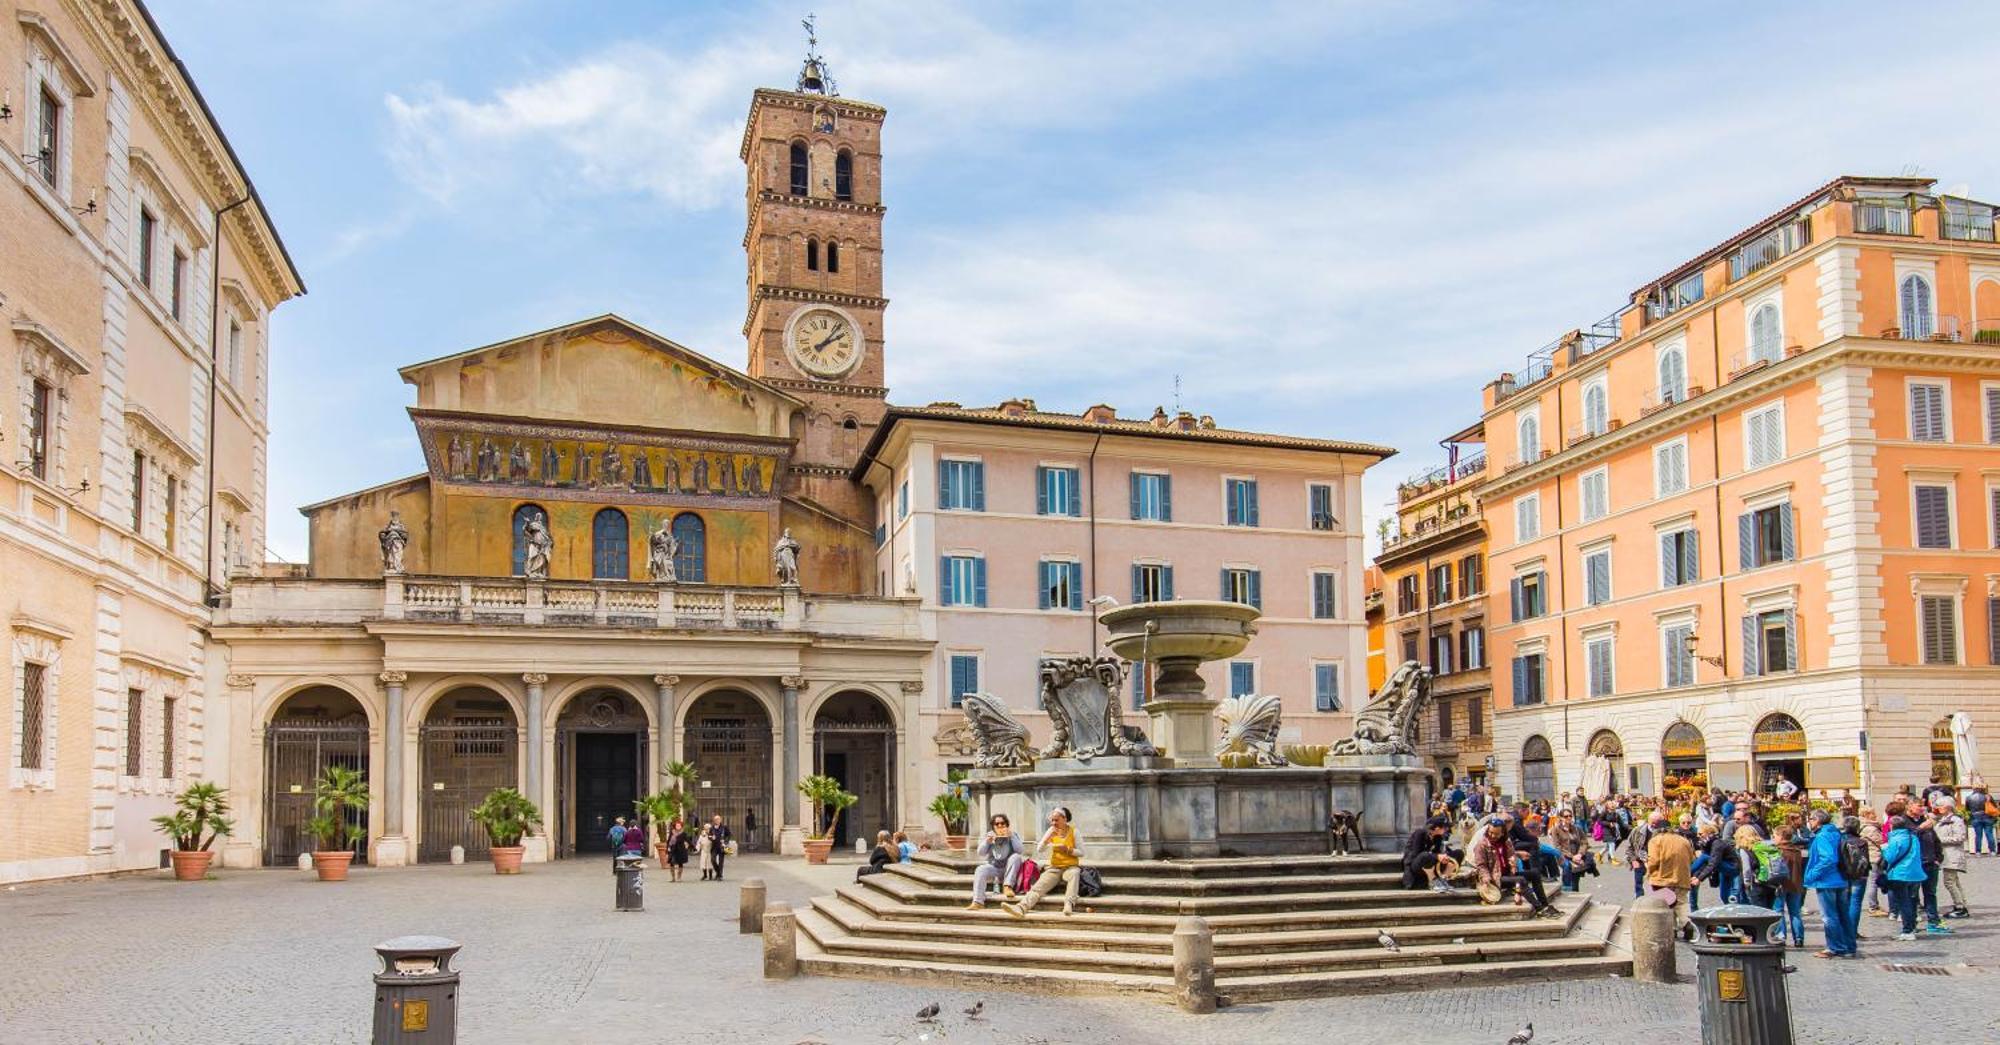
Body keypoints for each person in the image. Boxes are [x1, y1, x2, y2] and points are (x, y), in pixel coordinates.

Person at [1005, 807, 1084, 918]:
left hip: (1070, 867)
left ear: (1064, 819)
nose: (1053, 823)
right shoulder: (1051, 830)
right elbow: (1040, 849)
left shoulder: (1074, 831)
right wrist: (1047, 839)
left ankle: (1069, 904)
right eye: (1052, 820)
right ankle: (1021, 907)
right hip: (1054, 867)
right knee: (1038, 887)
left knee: (1075, 873)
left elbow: (1081, 852)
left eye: (1056, 820)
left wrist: (1068, 849)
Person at [1467, 817, 1553, 915]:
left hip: (1508, 873)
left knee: (1535, 874)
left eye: (1496, 833)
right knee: (1520, 880)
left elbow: (1511, 854)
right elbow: (1481, 865)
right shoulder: (1482, 845)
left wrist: (1513, 859)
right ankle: (1539, 909)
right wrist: (1486, 877)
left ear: (1502, 832)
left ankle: (1545, 904)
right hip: (1496, 877)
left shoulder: (1506, 842)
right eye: (1491, 832)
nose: (1492, 835)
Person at [1803, 809, 1855, 959]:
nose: (1810, 822)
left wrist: (1813, 873)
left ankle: (1835, 947)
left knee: (1829, 916)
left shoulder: (1822, 836)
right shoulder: (1836, 833)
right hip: (1841, 879)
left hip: (1827, 881)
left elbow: (1828, 858)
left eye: (1811, 819)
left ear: (1818, 821)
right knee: (1843, 914)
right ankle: (1849, 946)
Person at [1644, 811, 1697, 941]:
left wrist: (1648, 871)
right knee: (1681, 902)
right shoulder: (1684, 840)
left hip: (1662, 879)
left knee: (1666, 903)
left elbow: (1654, 860)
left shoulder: (1656, 840)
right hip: (1681, 877)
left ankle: (1671, 929)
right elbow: (1692, 858)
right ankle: (1686, 923)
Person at [1881, 813, 1927, 941]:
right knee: (1912, 901)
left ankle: (1907, 930)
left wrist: (1884, 849)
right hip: (1915, 873)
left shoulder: (1895, 839)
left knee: (1903, 902)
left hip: (1900, 874)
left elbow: (1889, 857)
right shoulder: (1913, 838)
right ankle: (1912, 927)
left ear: (1891, 826)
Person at [969, 815, 1026, 909]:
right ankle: (978, 902)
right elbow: (980, 852)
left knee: (1016, 857)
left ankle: (1007, 886)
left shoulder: (1013, 834)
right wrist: (987, 842)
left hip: (1009, 869)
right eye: (997, 824)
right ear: (993, 826)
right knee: (980, 869)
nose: (1000, 826)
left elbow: (1020, 850)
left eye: (1002, 823)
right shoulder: (989, 835)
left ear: (1007, 824)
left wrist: (1011, 837)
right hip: (994, 868)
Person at [1769, 825, 1807, 948]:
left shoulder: (1777, 850)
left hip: (1781, 884)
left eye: (1774, 836)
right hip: (1796, 884)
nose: (1773, 838)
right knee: (1795, 912)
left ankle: (1781, 936)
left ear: (1780, 836)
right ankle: (1799, 938)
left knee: (1778, 911)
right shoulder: (1797, 851)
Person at [1401, 817, 1459, 892]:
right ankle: (1433, 882)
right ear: (1437, 828)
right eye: (1445, 828)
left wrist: (1443, 857)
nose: (1446, 830)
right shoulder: (1420, 833)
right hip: (1415, 864)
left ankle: (1443, 879)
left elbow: (1437, 852)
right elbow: (1416, 854)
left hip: (1432, 862)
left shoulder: (1438, 837)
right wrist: (1436, 856)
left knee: (1458, 853)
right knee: (1425, 855)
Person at [1934, 797, 1970, 919]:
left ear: (1948, 806)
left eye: (1940, 806)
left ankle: (1960, 907)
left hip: (1952, 854)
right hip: (1946, 855)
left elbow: (1960, 837)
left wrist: (1940, 841)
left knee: (1949, 882)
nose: (1938, 808)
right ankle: (1961, 905)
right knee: (1954, 881)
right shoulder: (1942, 820)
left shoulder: (1955, 820)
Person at [1858, 806, 1887, 917]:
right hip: (1874, 857)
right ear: (1866, 815)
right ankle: (1873, 906)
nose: (1875, 815)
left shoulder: (1863, 826)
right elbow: (1881, 842)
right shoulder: (1870, 828)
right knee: (1873, 883)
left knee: (1873, 881)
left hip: (1870, 856)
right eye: (1872, 813)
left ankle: (1874, 905)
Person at [704, 813, 732, 881]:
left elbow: (729, 835)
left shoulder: (724, 827)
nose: (717, 820)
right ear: (714, 820)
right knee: (713, 860)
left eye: (718, 819)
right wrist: (711, 838)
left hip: (722, 846)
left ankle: (720, 876)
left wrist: (725, 841)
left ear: (720, 820)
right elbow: (709, 836)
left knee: (721, 862)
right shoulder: (712, 828)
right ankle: (718, 873)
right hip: (714, 846)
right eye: (715, 819)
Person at [664, 817, 692, 882]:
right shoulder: (672, 832)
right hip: (673, 850)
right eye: (677, 825)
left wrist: (693, 847)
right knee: (671, 863)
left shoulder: (683, 833)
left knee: (680, 863)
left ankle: (679, 877)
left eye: (679, 825)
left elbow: (688, 840)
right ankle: (673, 878)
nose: (678, 826)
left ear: (681, 826)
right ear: (675, 826)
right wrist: (667, 847)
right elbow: (669, 841)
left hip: (680, 850)